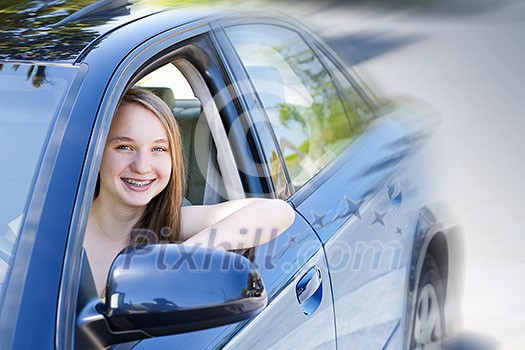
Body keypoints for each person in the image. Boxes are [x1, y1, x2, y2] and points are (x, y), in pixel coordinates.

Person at [83, 88, 295, 296]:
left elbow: (277, 210)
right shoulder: (59, 227)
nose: (142, 167)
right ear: (97, 152)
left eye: (158, 149)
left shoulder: (171, 222)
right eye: (125, 147)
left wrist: (184, 257)